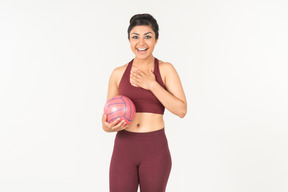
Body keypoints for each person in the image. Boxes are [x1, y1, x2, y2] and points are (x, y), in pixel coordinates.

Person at [102, 13, 187, 192]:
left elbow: (181, 110)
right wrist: (107, 127)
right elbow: (107, 118)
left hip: (154, 148)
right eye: (135, 37)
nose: (141, 43)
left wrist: (152, 85)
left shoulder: (165, 69)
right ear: (129, 40)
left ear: (156, 39)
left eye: (148, 36)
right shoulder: (118, 73)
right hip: (124, 147)